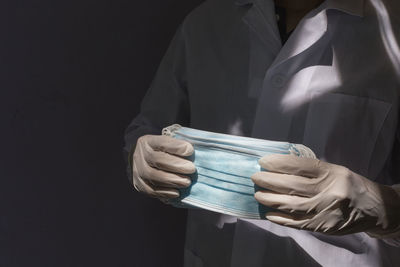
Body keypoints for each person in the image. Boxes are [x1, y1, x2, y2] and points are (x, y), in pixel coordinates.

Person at [124, 0, 400, 266]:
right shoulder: (205, 23)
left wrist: (377, 206)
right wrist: (141, 158)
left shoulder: (391, 33)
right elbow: (149, 128)